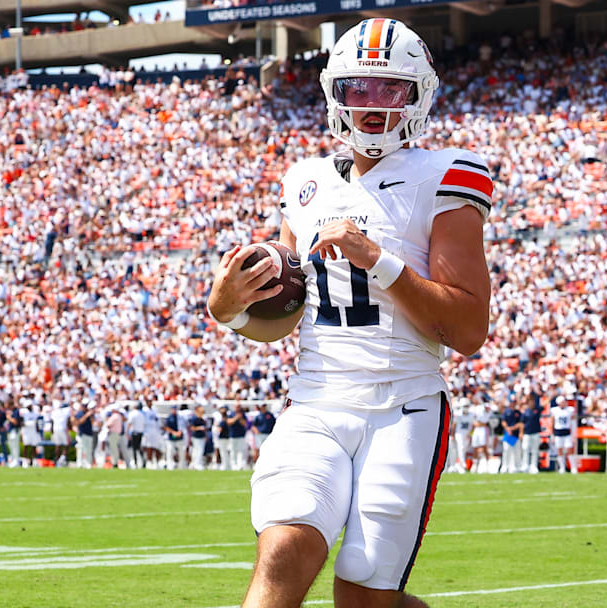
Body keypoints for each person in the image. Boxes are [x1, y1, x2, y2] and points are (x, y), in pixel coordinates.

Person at [207, 18, 491, 608]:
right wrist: (229, 308)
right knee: (285, 546)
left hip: (403, 403)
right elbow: (283, 315)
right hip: (316, 398)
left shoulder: (446, 176)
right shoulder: (303, 181)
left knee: (362, 596)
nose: (370, 105)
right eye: (357, 88)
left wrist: (380, 261)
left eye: (389, 89)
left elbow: (467, 331)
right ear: (334, 92)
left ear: (418, 94)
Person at [550, 395, 577, 474]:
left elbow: (573, 422)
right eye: (562, 402)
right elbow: (552, 423)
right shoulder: (554, 410)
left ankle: (573, 467)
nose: (564, 403)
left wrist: (573, 434)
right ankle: (562, 467)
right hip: (558, 432)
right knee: (559, 450)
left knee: (569, 450)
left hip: (567, 432)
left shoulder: (570, 410)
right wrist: (552, 434)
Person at [519, 396, 542, 474]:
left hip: (535, 433)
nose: (532, 403)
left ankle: (533, 466)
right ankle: (525, 465)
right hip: (527, 433)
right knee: (525, 449)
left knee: (535, 450)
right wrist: (521, 432)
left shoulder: (537, 410)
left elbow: (545, 404)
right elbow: (522, 423)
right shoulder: (525, 412)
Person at [499, 399, 521, 474]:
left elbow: (520, 423)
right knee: (506, 450)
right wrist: (508, 429)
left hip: (515, 435)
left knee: (516, 451)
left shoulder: (518, 412)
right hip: (507, 434)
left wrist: (512, 428)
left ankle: (515, 466)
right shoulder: (506, 411)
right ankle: (505, 466)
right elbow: (503, 421)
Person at [162, 406, 184, 470]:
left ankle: (181, 465)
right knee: (170, 451)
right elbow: (166, 427)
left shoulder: (180, 417)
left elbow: (182, 426)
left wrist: (179, 432)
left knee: (181, 452)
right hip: (171, 437)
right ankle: (170, 465)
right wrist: (174, 432)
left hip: (179, 437)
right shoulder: (169, 418)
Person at [188, 405, 208, 471]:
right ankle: (197, 464)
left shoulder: (202, 419)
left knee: (198, 451)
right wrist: (199, 428)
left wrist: (205, 436)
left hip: (201, 437)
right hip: (196, 437)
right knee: (198, 451)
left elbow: (205, 429)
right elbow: (192, 428)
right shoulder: (194, 418)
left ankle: (194, 464)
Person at [127, 402, 145, 469]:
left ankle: (136, 462)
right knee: (139, 448)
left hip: (134, 433)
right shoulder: (141, 414)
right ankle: (143, 461)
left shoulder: (132, 413)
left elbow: (129, 424)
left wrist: (127, 433)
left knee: (134, 448)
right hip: (140, 433)